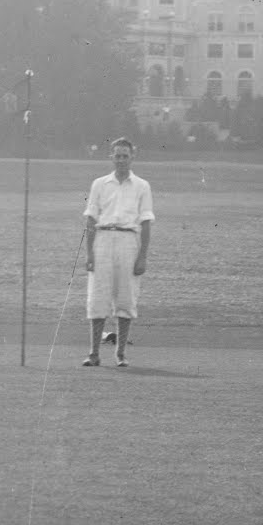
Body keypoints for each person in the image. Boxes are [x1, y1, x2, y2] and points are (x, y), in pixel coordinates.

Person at [80, 137, 153, 366]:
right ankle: (94, 354)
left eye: (125, 155)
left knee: (126, 298)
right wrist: (89, 253)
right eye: (117, 155)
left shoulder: (142, 186)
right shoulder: (99, 184)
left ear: (132, 157)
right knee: (98, 298)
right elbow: (91, 219)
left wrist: (142, 256)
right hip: (102, 240)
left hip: (128, 242)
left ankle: (120, 354)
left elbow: (146, 222)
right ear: (111, 157)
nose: (121, 160)